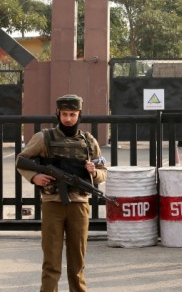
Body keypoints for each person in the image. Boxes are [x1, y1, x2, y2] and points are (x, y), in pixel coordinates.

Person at [15, 94, 107, 292]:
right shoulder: (43, 138)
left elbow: (103, 174)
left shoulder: (89, 141)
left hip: (79, 205)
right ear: (58, 113)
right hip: (52, 204)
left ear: (79, 115)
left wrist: (94, 172)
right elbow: (21, 160)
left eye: (72, 114)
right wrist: (35, 177)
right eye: (64, 114)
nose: (68, 119)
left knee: (77, 263)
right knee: (51, 262)